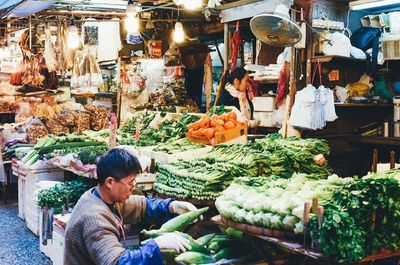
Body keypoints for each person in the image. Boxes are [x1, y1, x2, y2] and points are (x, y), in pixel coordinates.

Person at [64, 148, 200, 265]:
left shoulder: (102, 196)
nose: (133, 187)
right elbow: (117, 262)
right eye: (130, 183)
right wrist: (157, 245)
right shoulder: (95, 220)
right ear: (110, 182)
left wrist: (172, 206)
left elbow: (142, 205)